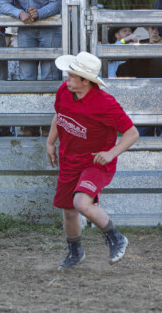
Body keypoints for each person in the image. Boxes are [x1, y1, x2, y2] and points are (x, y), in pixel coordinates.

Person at [46, 52, 139, 270]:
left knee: (81, 203)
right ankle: (75, 252)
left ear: (86, 81)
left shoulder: (105, 103)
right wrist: (50, 142)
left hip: (95, 162)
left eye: (72, 76)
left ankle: (116, 238)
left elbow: (132, 133)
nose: (67, 78)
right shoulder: (64, 91)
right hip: (69, 159)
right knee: (68, 210)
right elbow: (59, 115)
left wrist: (111, 153)